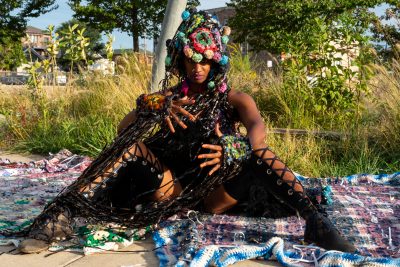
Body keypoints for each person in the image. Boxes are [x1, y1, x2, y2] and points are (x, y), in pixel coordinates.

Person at [17, 9, 356, 254]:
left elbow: (258, 130)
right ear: (179, 59)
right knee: (128, 148)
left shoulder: (234, 99)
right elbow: (121, 133)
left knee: (258, 156)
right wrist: (149, 106)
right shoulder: (167, 98)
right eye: (191, 59)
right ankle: (61, 215)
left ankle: (315, 222)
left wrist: (234, 150)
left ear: (216, 62)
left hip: (217, 194)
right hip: (174, 189)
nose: (197, 68)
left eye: (205, 60)